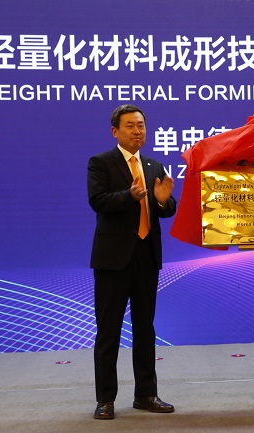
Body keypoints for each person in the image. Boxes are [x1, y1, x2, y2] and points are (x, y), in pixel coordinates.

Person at [88, 104, 176, 419]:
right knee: (108, 330)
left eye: (141, 125)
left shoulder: (153, 165)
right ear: (115, 131)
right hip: (113, 259)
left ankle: (146, 394)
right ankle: (105, 399)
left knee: (145, 329)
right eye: (130, 126)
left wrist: (163, 202)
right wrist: (129, 195)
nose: (137, 131)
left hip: (146, 256)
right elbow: (97, 201)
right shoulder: (101, 162)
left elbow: (166, 207)